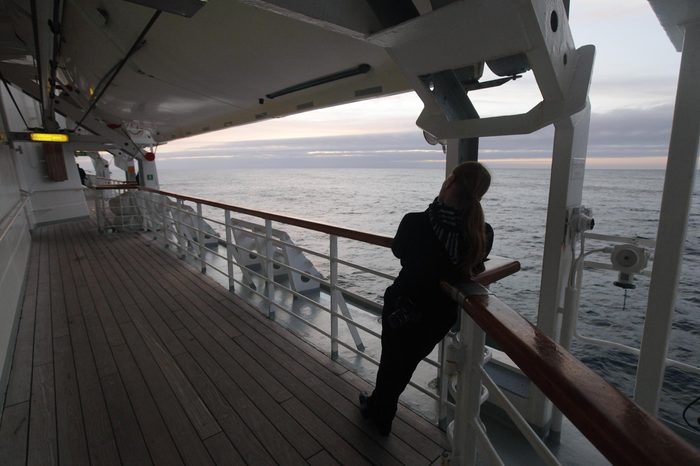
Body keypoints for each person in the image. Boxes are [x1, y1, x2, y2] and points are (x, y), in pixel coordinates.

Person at [359, 161, 494, 436]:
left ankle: (381, 415)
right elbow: (475, 264)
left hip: (402, 307)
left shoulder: (415, 221)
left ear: (450, 183)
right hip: (438, 316)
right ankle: (378, 406)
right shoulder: (482, 233)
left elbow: (399, 251)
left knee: (391, 362)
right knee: (405, 365)